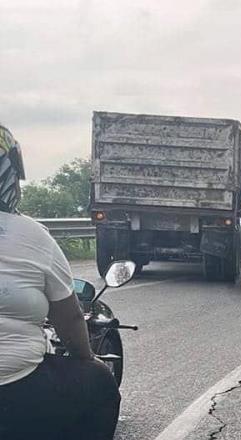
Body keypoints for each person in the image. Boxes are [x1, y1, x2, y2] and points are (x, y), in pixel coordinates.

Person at [0, 124, 121, 439]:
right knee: (101, 383)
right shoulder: (30, 234)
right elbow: (67, 317)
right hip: (15, 388)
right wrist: (86, 358)